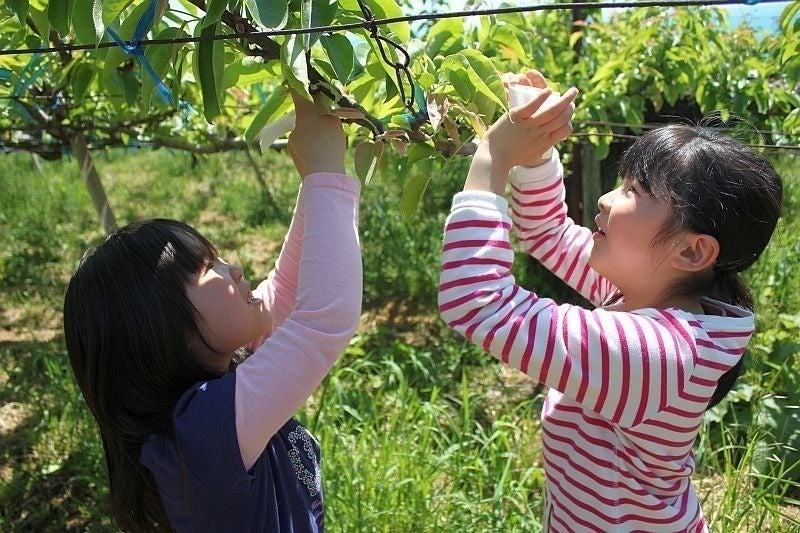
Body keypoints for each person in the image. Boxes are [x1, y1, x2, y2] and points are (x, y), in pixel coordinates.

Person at [438, 70, 782, 531]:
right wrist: (537, 149)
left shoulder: (656, 355)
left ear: (692, 250)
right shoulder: (643, 295)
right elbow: (547, 233)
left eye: (632, 192)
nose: (603, 199)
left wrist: (493, 158)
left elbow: (477, 303)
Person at [63, 90, 362, 532]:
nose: (236, 269)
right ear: (159, 326)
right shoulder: (200, 434)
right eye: (209, 267)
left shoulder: (218, 380)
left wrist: (315, 180)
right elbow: (321, 320)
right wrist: (325, 171)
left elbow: (286, 292)